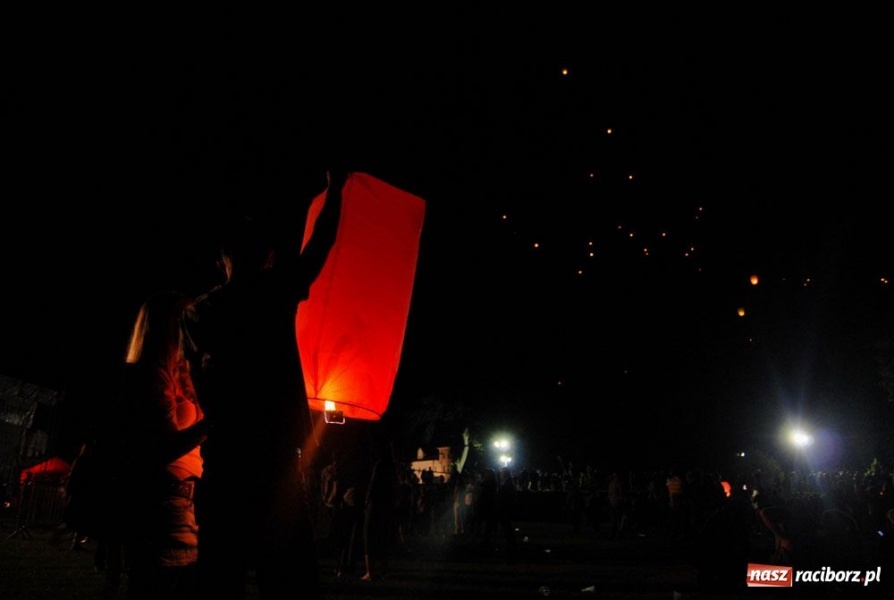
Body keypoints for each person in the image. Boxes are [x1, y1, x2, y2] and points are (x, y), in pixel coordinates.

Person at [181, 169, 347, 599]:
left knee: (220, 580)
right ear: (269, 257)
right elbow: (319, 247)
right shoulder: (274, 295)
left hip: (225, 462)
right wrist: (336, 190)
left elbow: (200, 380)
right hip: (275, 466)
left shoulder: (200, 313)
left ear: (223, 259)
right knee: (291, 584)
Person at [113, 290, 211, 600]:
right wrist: (215, 421)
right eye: (183, 322)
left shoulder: (182, 374)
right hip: (155, 511)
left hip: (187, 509)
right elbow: (162, 447)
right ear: (165, 326)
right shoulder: (149, 375)